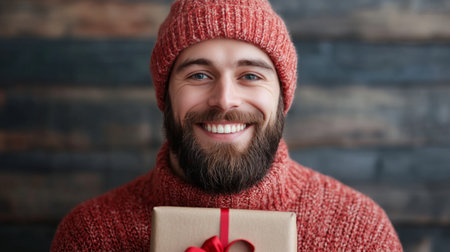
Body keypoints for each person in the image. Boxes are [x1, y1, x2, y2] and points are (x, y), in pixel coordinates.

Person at [51, 0, 403, 250]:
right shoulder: (91, 234)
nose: (224, 99)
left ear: (282, 97)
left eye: (250, 75)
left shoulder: (358, 232)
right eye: (199, 74)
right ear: (165, 94)